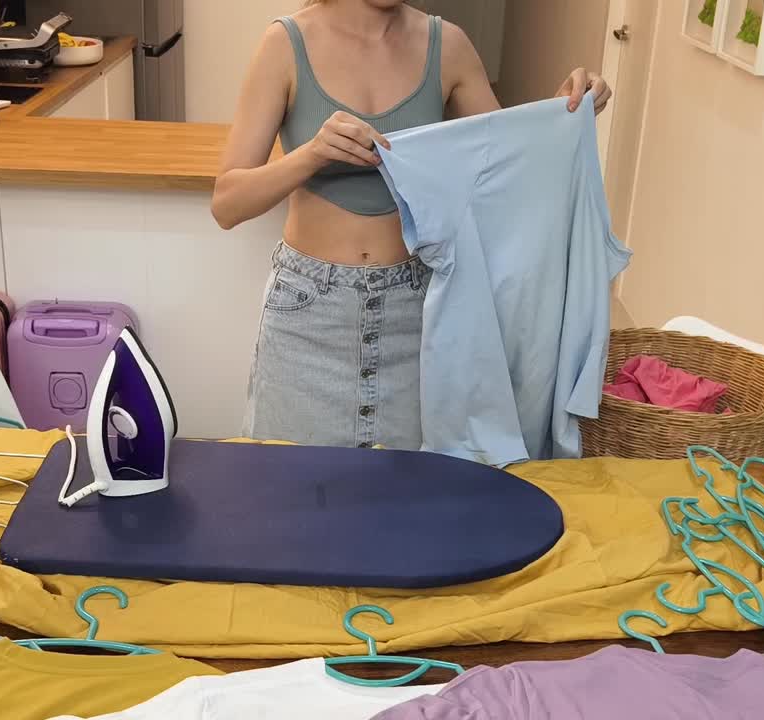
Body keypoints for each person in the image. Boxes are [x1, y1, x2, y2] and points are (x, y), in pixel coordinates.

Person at [212, 0, 613, 450]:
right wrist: (311, 155)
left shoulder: (448, 46)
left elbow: (506, 171)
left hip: (418, 318)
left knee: (411, 490)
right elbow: (227, 204)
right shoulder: (284, 45)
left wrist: (562, 114)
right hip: (308, 319)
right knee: (292, 487)